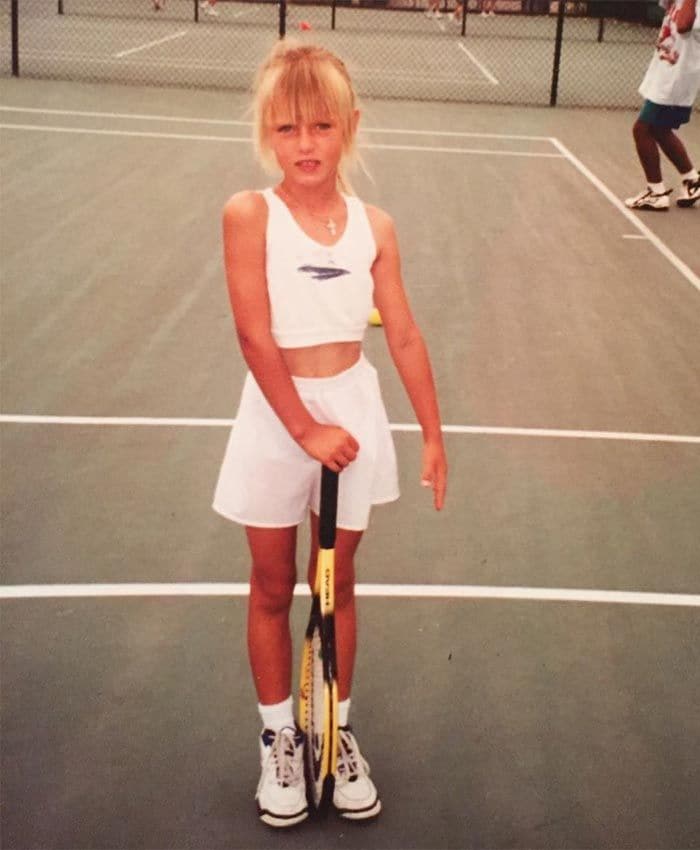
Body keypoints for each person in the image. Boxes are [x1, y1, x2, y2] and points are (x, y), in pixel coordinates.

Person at [212, 41, 447, 827]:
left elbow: (405, 335)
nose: (304, 144)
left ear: (349, 126)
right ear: (266, 135)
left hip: (352, 409)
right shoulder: (250, 214)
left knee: (337, 585)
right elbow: (254, 337)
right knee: (275, 584)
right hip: (279, 418)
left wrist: (433, 436)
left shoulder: (375, 226)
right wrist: (305, 427)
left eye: (319, 125)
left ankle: (335, 730)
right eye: (286, 129)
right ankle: (281, 739)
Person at [625, 0, 700, 210]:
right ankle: (692, 180)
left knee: (642, 129)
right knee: (660, 129)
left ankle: (656, 192)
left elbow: (684, 24)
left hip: (677, 78)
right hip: (665, 69)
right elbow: (667, 8)